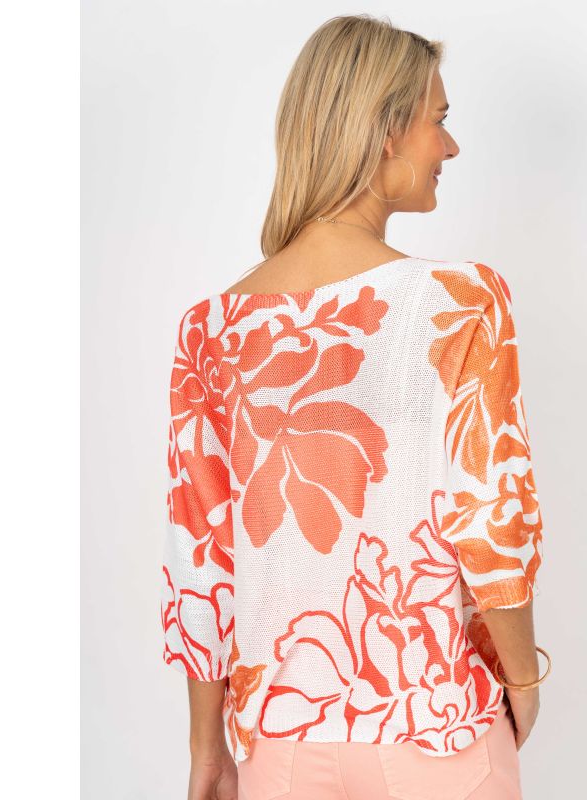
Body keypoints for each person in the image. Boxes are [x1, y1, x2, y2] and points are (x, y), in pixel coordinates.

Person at [160, 13, 551, 800]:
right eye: (438, 120)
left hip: (280, 743)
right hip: (435, 726)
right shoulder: (461, 302)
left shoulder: (211, 330)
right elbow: (490, 521)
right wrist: (523, 678)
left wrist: (207, 747)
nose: (450, 147)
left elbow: (201, 558)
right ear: (385, 130)